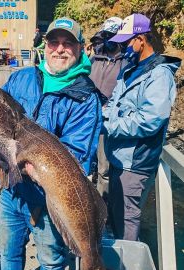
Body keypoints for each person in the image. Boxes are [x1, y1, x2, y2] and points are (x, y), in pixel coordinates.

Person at [0, 17, 102, 270]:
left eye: (68, 43)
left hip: (50, 200)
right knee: (7, 256)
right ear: (44, 45)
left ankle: (92, 266)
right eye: (54, 41)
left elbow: (77, 156)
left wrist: (35, 167)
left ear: (81, 49)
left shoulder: (86, 98)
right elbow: (1, 122)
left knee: (52, 263)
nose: (60, 49)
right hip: (12, 192)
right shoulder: (20, 79)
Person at [103, 13, 181, 241]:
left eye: (127, 41)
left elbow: (149, 120)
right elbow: (113, 102)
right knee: (117, 216)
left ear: (141, 39)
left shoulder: (160, 75)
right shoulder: (129, 68)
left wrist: (109, 124)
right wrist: (104, 115)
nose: (123, 46)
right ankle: (117, 269)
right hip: (118, 157)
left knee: (127, 221)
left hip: (135, 163)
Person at [88, 17, 128, 204]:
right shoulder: (94, 57)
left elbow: (127, 94)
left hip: (108, 120)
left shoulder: (126, 62)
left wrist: (110, 107)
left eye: (112, 35)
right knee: (85, 161)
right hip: (88, 116)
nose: (108, 39)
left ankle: (101, 208)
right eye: (105, 35)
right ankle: (84, 203)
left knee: (104, 169)